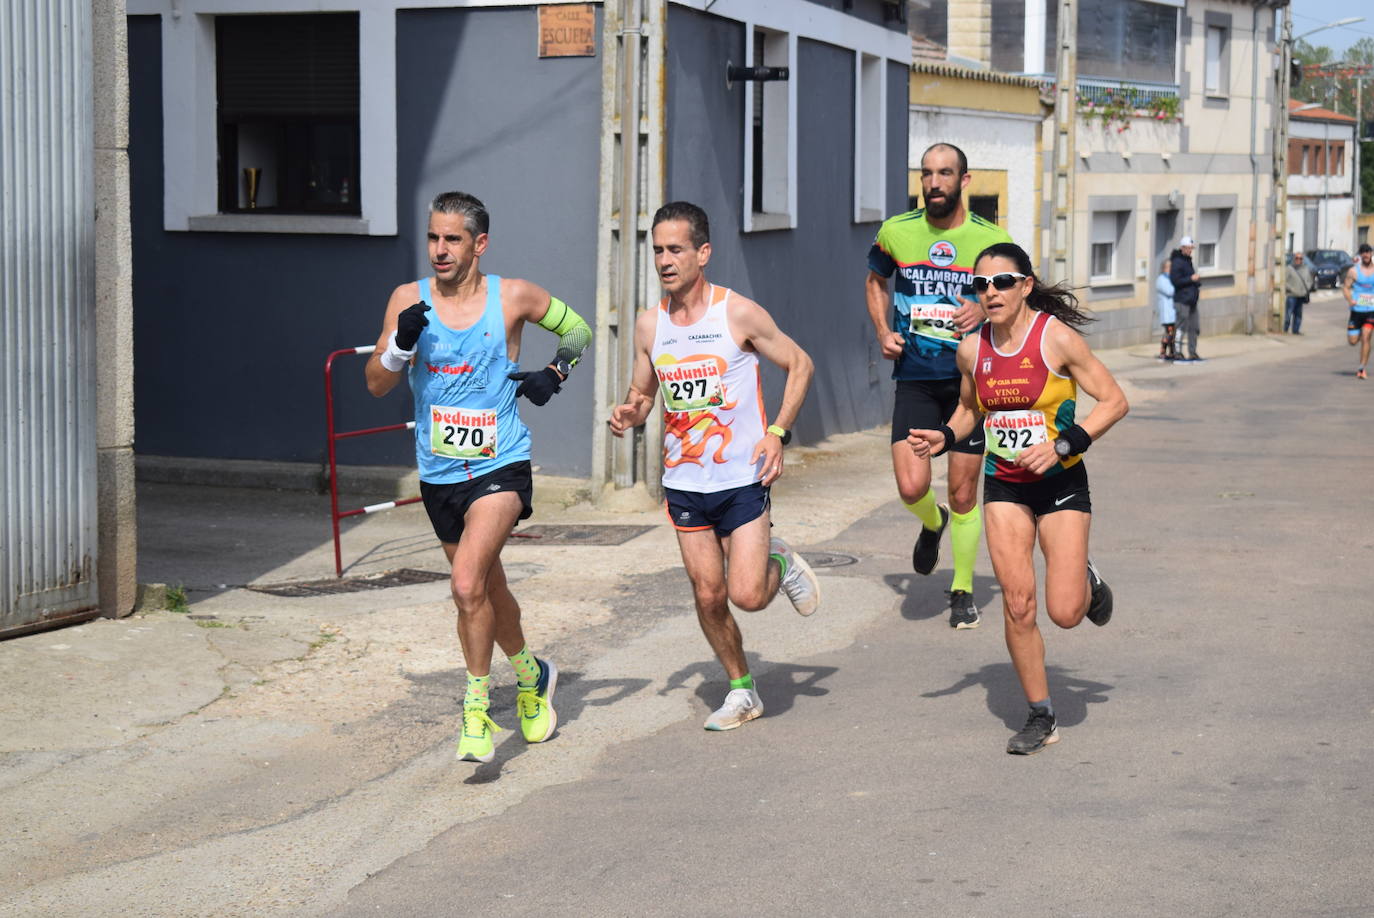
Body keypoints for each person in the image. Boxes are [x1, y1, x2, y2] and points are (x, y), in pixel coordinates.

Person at [365, 191, 592, 764]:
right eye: (433, 238)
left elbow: (580, 332)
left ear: (479, 244)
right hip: (439, 474)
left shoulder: (512, 296)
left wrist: (555, 373)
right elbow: (375, 384)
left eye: (453, 239)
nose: (440, 250)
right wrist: (399, 345)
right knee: (489, 588)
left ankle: (475, 709)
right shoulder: (406, 300)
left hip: (500, 464)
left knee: (466, 584)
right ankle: (531, 675)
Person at [907, 242, 1129, 755]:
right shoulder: (971, 349)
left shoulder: (1056, 340)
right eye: (981, 284)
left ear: (1026, 285)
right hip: (1004, 485)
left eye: (1002, 281)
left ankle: (1086, 581)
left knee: (1066, 611)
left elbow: (1114, 400)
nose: (991, 292)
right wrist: (945, 436)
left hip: (1061, 483)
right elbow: (969, 411)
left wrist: (1065, 444)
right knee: (1018, 603)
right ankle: (1040, 714)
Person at [609, 201, 819, 732]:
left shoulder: (737, 314)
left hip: (742, 477)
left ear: (702, 252)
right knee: (708, 594)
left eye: (675, 248)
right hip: (683, 482)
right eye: (656, 249)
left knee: (747, 595)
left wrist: (777, 434)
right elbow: (644, 391)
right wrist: (631, 410)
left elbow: (800, 364)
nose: (664, 259)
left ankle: (782, 562)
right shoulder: (649, 325)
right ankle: (742, 689)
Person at [865, 142, 1013, 629]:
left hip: (971, 384)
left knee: (966, 492)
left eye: (944, 174)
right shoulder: (896, 232)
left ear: (964, 181)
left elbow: (1015, 299)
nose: (933, 183)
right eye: (926, 174)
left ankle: (963, 589)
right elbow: (875, 280)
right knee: (912, 486)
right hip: (915, 378)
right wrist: (883, 332)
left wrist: (984, 308)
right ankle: (933, 521)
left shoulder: (990, 242)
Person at [1343, 243, 1374, 379]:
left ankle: (1361, 368)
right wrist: (1350, 300)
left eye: (1368, 252)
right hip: (1356, 310)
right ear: (1360, 255)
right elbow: (1346, 287)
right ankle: (1361, 336)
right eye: (1363, 252)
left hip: (1371, 310)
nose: (1366, 254)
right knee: (1353, 341)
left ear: (1372, 254)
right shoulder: (1353, 271)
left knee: (1366, 336)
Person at [1169, 236, 1202, 362]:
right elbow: (1175, 281)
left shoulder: (1188, 261)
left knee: (1194, 327)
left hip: (1192, 300)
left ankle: (1192, 352)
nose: (1190, 251)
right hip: (1182, 300)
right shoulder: (1177, 262)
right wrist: (1190, 279)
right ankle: (1177, 352)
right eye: (1188, 248)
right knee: (1181, 327)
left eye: (1191, 249)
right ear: (1182, 248)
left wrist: (1196, 282)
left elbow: (1189, 278)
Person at [1284, 251, 1315, 335]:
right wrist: (1290, 288)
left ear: (1302, 260)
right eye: (1297, 258)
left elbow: (1309, 280)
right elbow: (1284, 281)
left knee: (1298, 314)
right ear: (1294, 259)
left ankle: (1296, 330)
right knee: (1288, 313)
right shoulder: (1289, 269)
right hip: (1291, 295)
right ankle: (1285, 329)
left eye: (1300, 258)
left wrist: (1306, 289)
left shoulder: (1305, 269)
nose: (1298, 260)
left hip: (1301, 295)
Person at [1155, 258, 1176, 360]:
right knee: (1169, 333)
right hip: (1167, 313)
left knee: (1172, 334)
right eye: (1169, 267)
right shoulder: (1161, 279)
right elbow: (1170, 291)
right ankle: (1162, 352)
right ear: (1164, 268)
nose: (1171, 269)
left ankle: (1172, 352)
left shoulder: (1170, 279)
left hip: (1173, 312)